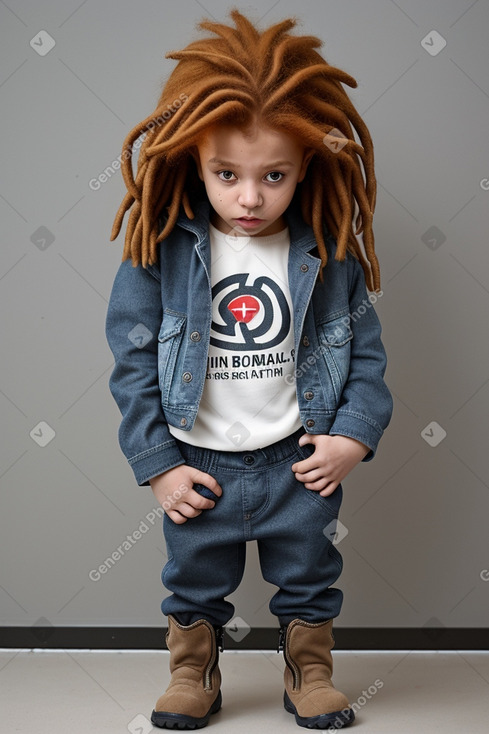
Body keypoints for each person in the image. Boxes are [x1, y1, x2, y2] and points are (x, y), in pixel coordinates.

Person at [105, 9, 393, 730]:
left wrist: (351, 436)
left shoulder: (327, 254)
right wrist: (157, 464)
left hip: (297, 456)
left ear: (307, 168)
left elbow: (365, 354)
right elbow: (132, 362)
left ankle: (310, 665)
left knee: (308, 577)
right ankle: (191, 666)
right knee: (193, 577)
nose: (250, 197)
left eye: (274, 176)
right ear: (190, 161)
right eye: (225, 174)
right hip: (198, 460)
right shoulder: (162, 251)